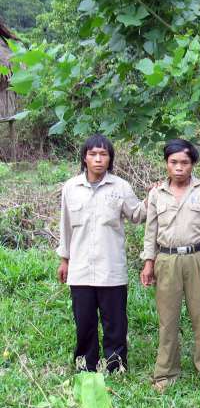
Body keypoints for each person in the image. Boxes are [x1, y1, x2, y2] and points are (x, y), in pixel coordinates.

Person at [57, 134, 147, 373]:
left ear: (110, 159)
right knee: (84, 322)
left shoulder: (120, 187)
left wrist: (156, 194)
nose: (98, 159)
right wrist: (64, 259)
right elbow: (65, 226)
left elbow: (138, 215)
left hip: (111, 268)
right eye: (93, 154)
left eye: (103, 154)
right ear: (84, 158)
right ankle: (85, 365)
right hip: (80, 269)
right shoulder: (71, 188)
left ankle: (115, 365)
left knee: (115, 322)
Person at [140, 139, 200, 392]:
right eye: (173, 162)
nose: (179, 168)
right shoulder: (156, 194)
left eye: (184, 162)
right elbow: (150, 231)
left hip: (198, 259)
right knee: (168, 319)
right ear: (166, 164)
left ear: (193, 164)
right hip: (166, 260)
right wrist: (148, 263)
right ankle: (165, 373)